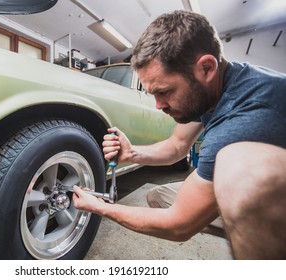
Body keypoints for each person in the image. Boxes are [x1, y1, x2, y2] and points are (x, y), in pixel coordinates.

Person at [72, 10, 286, 259]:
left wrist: (101, 208)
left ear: (206, 68)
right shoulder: (213, 89)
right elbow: (177, 146)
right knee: (159, 197)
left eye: (164, 91)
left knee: (238, 169)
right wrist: (132, 153)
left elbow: (178, 225)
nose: (158, 105)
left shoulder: (244, 118)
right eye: (152, 94)